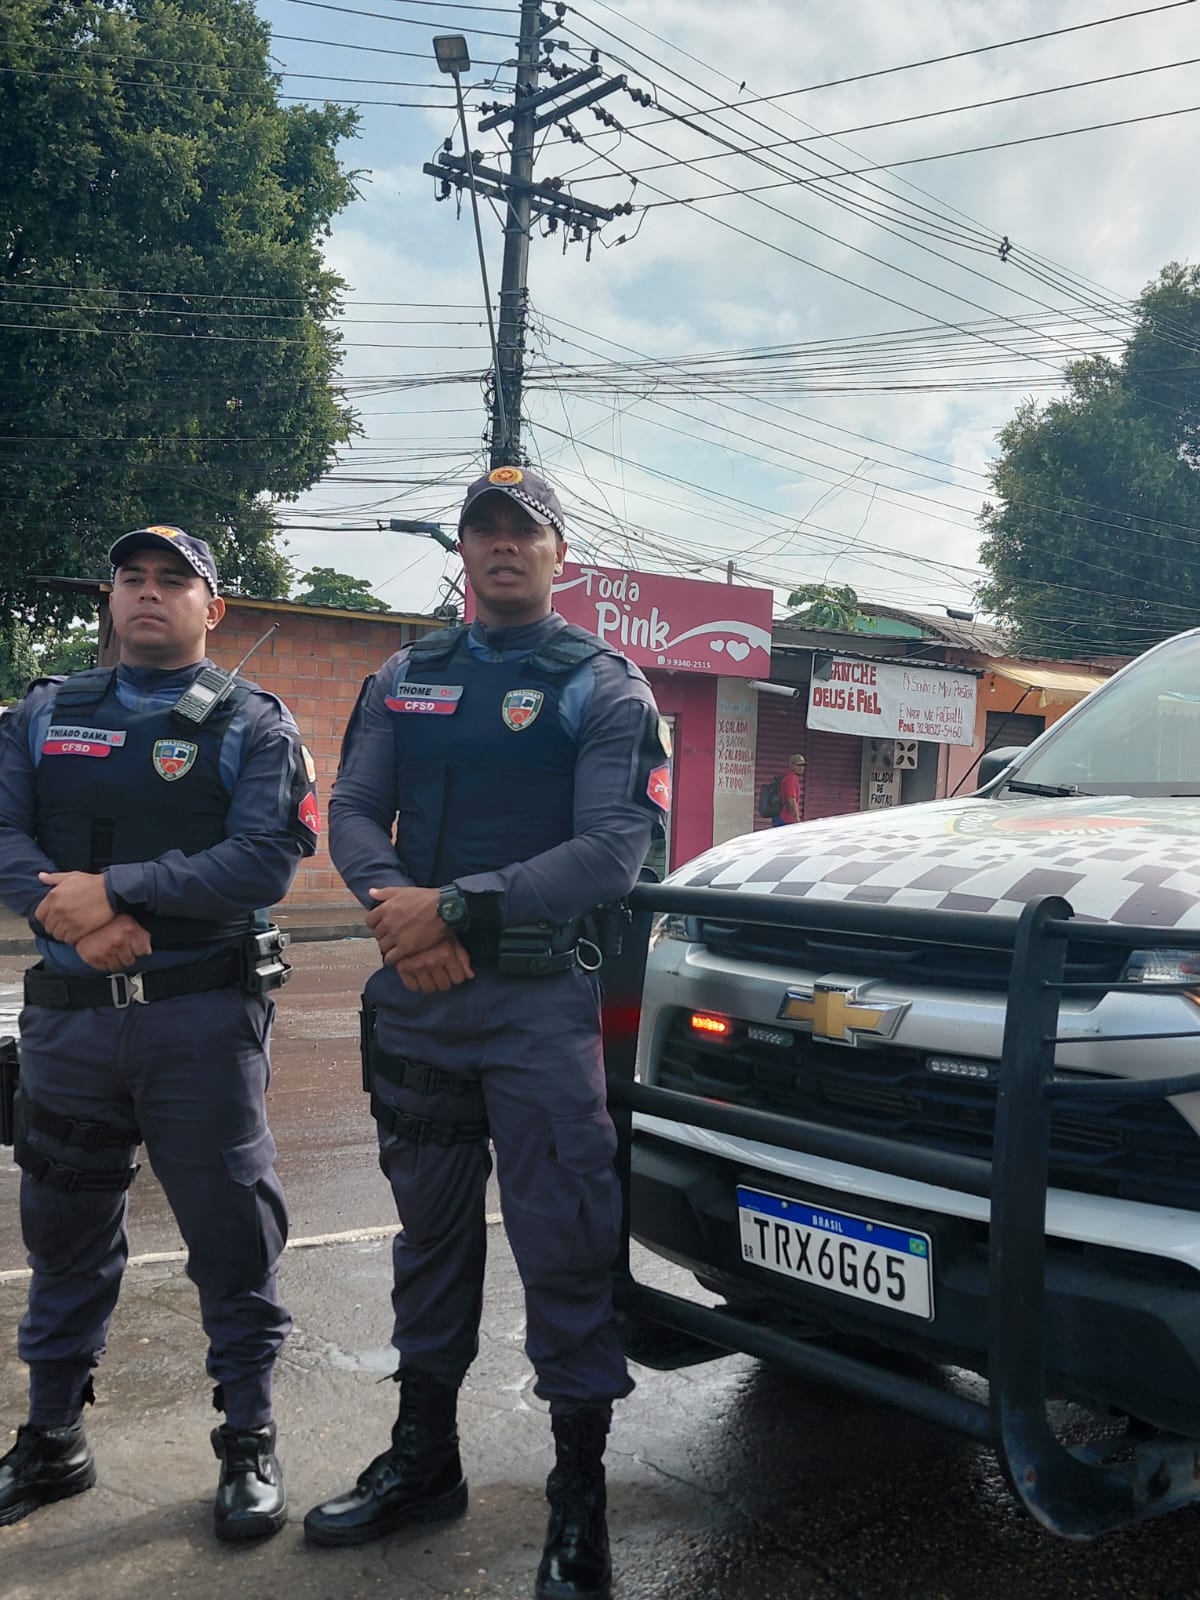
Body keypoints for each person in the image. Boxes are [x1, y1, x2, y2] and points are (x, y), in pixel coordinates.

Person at [306, 466, 670, 1600]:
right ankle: (426, 1463)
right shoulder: (405, 675)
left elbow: (616, 849)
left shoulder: (602, 687)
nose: (503, 546)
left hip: (537, 1005)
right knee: (429, 1240)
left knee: (564, 1239)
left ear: (562, 554)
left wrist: (451, 908)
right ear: (460, 550)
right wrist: (393, 911)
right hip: (420, 997)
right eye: (484, 530)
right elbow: (356, 812)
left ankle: (578, 1499)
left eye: (527, 531)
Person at [0, 526, 319, 1540]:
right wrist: (73, 915)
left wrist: (117, 889)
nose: (148, 593)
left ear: (210, 608)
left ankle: (249, 1438)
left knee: (232, 1233)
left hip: (201, 1022)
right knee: (62, 1233)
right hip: (72, 1026)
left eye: (173, 581)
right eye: (132, 578)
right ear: (110, 598)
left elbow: (264, 860)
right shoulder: (42, 713)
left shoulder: (251, 725)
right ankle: (52, 1439)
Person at [774, 752, 806, 826]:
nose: (801, 768)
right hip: (786, 819)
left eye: (803, 765)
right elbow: (791, 801)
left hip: (783, 818)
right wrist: (797, 820)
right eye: (798, 765)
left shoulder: (790, 777)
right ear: (791, 765)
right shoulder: (791, 779)